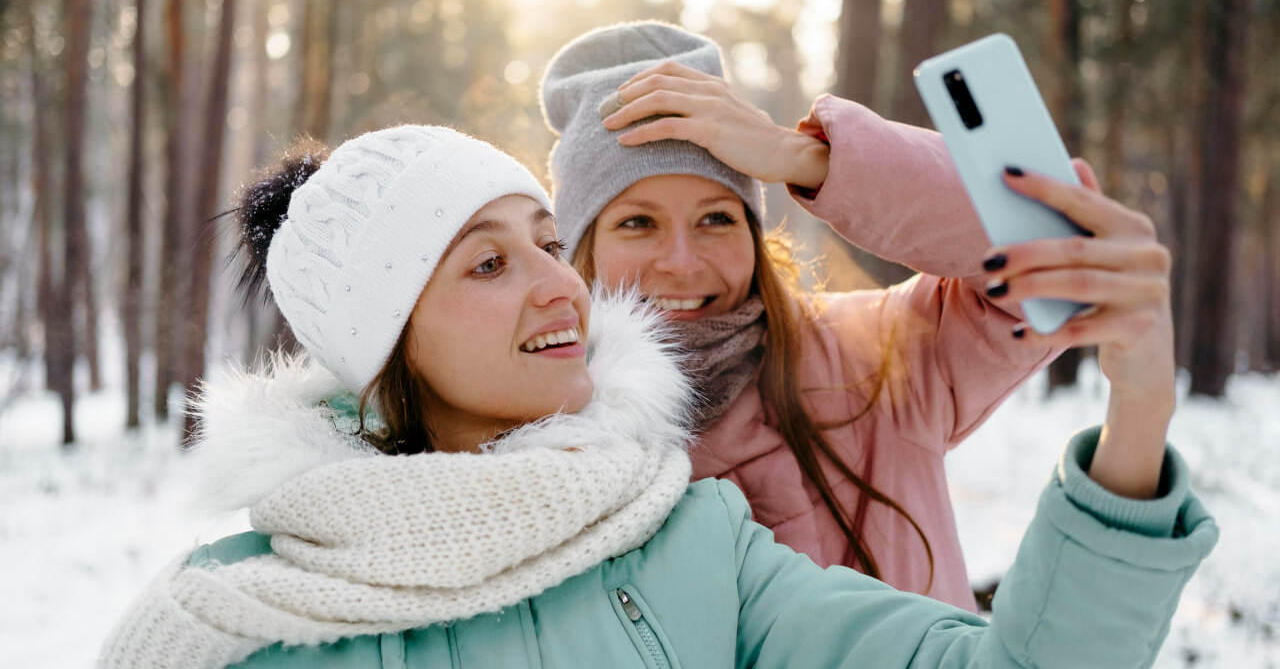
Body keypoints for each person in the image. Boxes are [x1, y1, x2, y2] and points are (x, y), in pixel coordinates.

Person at [99, 124, 1215, 669]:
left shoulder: (690, 540)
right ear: (385, 347)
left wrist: (1138, 412)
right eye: (487, 264)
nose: (554, 284)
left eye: (545, 244)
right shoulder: (246, 615)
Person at [540, 21, 1175, 609]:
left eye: (716, 218)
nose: (682, 261)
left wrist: (807, 158)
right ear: (576, 250)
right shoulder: (539, 438)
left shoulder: (874, 360)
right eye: (637, 222)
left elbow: (1054, 247)